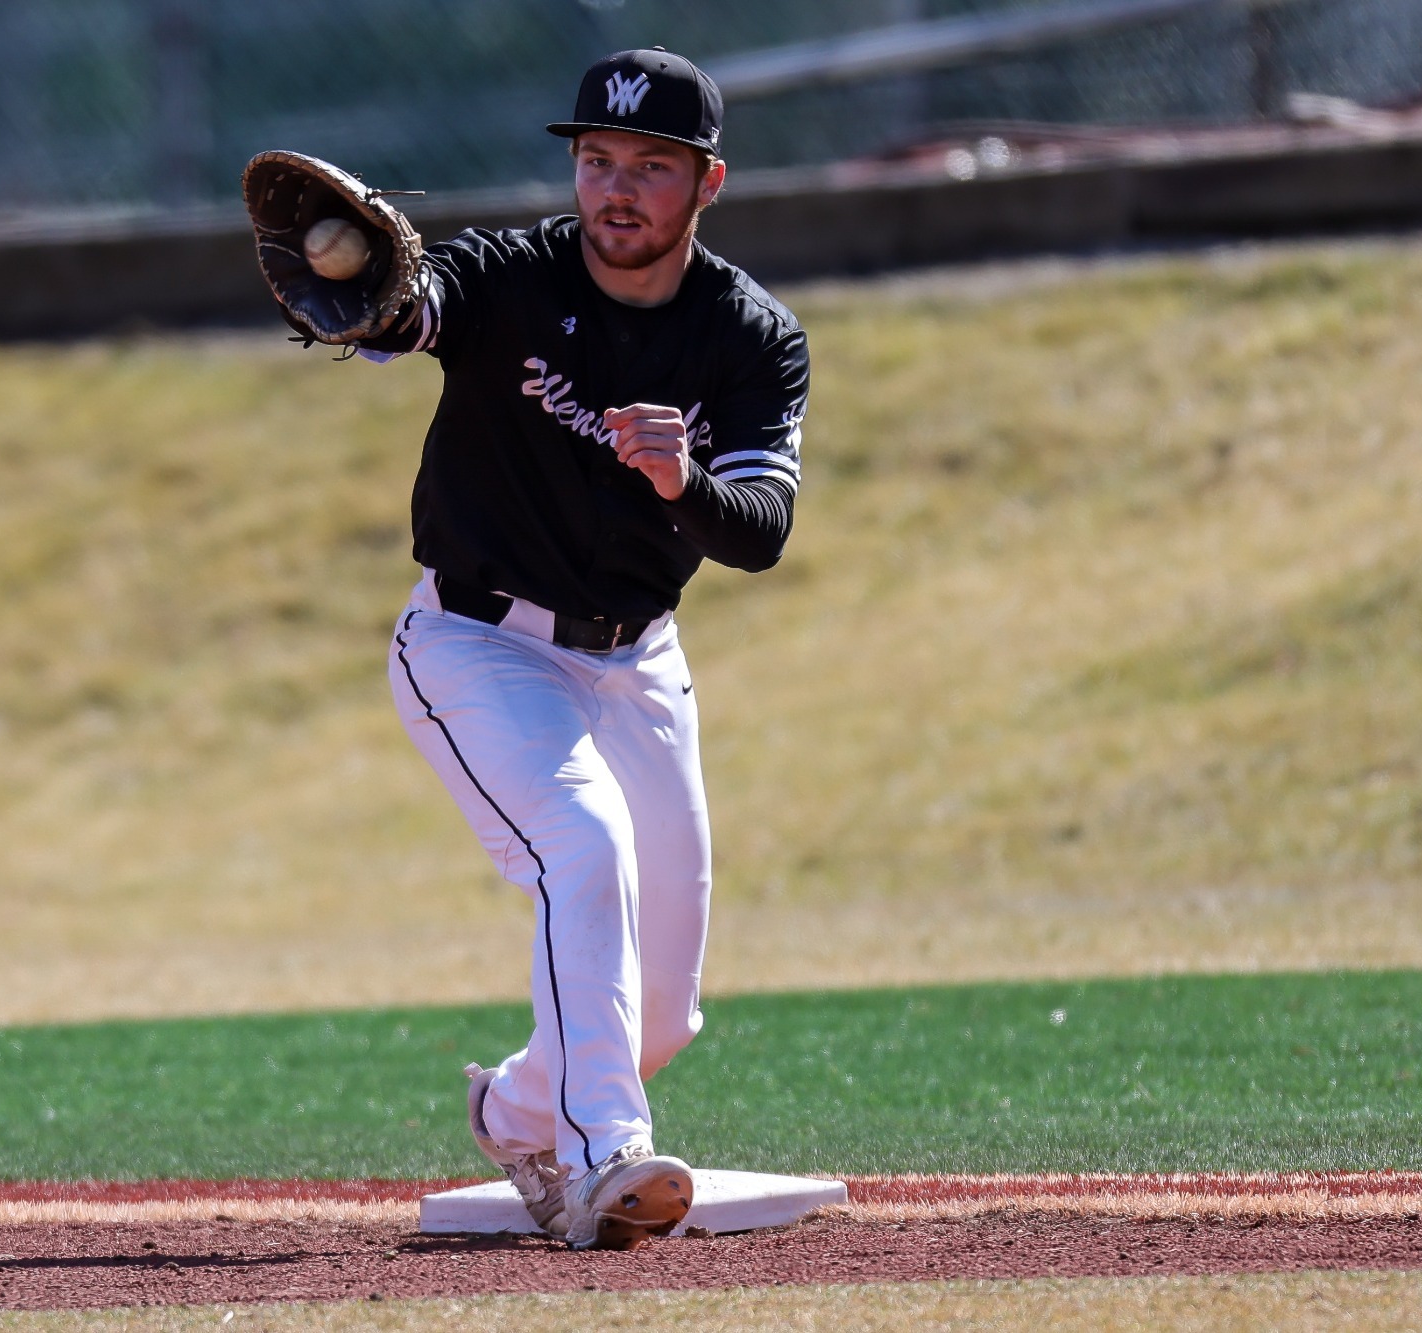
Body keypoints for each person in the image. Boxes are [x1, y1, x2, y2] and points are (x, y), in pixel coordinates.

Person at [347, 48, 807, 1250]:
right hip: (475, 643)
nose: (615, 188)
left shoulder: (750, 339)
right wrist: (373, 300)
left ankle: (514, 1111)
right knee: (583, 846)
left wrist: (681, 481)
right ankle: (611, 1154)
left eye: (650, 167)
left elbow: (758, 533)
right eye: (596, 160)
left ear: (705, 184)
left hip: (636, 660)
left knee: (660, 1010)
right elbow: (413, 313)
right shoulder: (508, 276)